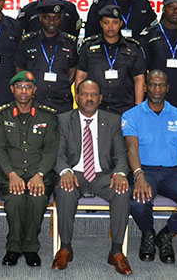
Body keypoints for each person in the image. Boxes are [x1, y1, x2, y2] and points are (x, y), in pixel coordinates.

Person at [122, 70, 177, 265]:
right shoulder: (131, 115)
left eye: (161, 85)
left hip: (172, 173)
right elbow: (131, 148)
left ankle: (166, 235)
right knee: (138, 201)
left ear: (167, 88)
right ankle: (148, 234)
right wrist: (139, 175)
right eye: (152, 84)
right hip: (144, 171)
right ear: (145, 87)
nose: (156, 89)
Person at [52, 80, 132, 274]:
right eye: (84, 94)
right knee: (65, 190)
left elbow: (121, 154)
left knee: (122, 191)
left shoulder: (112, 120)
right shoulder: (63, 120)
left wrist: (120, 173)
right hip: (75, 173)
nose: (89, 98)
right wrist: (65, 171)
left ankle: (116, 251)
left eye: (93, 95)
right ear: (77, 97)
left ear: (100, 98)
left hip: (102, 175)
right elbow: (58, 154)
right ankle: (65, 248)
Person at [0, 71, 59, 268]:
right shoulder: (0, 115)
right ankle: (13, 248)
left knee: (38, 199)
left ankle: (30, 248)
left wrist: (39, 175)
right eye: (19, 86)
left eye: (28, 87)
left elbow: (51, 150)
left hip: (40, 175)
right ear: (12, 89)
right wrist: (11, 175)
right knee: (15, 199)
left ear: (34, 90)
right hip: (9, 175)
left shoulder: (47, 116)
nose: (23, 91)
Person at [76, 4, 146, 114]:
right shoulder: (88, 46)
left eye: (114, 22)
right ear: (101, 24)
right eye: (106, 22)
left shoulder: (132, 47)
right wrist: (80, 102)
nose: (110, 26)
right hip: (95, 108)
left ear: (121, 24)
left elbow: (139, 79)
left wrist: (138, 107)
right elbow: (81, 76)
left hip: (124, 108)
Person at [14, 0, 79, 113]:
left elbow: (73, 71)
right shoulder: (27, 42)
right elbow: (20, 68)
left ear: (61, 19)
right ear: (40, 18)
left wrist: (60, 85)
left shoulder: (70, 42)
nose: (51, 22)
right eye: (47, 17)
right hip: (35, 102)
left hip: (62, 103)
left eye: (56, 18)